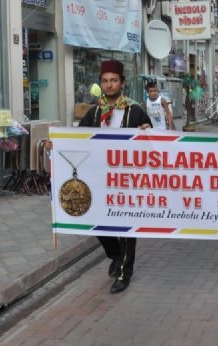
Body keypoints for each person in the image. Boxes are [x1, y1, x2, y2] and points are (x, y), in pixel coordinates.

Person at [47, 60, 151, 294]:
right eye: (105, 81)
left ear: (122, 83)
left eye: (114, 80)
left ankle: (125, 272)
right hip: (98, 179)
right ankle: (114, 255)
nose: (109, 85)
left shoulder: (135, 111)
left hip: (127, 181)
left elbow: (153, 141)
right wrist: (57, 144)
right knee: (94, 221)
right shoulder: (93, 113)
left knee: (126, 228)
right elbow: (78, 140)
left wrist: (147, 131)